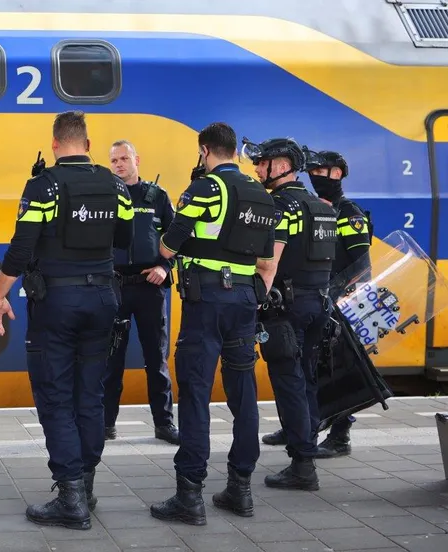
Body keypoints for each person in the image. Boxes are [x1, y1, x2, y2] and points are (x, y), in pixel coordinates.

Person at [0, 110, 134, 530]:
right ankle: (86, 485)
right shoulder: (114, 184)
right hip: (103, 298)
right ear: (87, 145)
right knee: (89, 394)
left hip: (57, 302)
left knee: (55, 395)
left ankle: (70, 495)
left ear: (54, 145)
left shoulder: (43, 186)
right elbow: (125, 239)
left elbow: (21, 248)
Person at [149, 122, 275, 526]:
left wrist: (167, 245)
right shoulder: (261, 193)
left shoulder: (206, 189)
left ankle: (190, 493)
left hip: (207, 303)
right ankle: (240, 488)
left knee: (197, 391)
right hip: (245, 300)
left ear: (205, 151)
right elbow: (267, 261)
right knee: (243, 393)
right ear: (234, 150)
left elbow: (168, 244)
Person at [246, 137, 337, 491]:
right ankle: (308, 448)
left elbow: (270, 262)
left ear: (282, 166)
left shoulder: (278, 206)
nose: (256, 169)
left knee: (290, 383)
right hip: (318, 304)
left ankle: (302, 466)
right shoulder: (322, 207)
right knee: (308, 379)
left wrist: (254, 299)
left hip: (288, 309)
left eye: (262, 163)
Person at [104, 139, 178, 445]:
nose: (119, 164)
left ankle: (164, 424)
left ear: (137, 159)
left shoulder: (158, 196)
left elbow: (178, 238)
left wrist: (165, 267)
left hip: (150, 287)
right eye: (114, 160)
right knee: (110, 360)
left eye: (124, 158)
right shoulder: (106, 196)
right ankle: (106, 425)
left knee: (156, 360)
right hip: (115, 287)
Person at [307, 148, 372, 458]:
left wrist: (337, 293)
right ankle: (304, 425)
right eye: (313, 173)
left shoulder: (349, 214)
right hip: (318, 302)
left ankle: (340, 435)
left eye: (322, 172)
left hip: (341, 305)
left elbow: (362, 265)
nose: (316, 178)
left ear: (338, 174)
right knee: (312, 367)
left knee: (339, 370)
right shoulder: (318, 210)